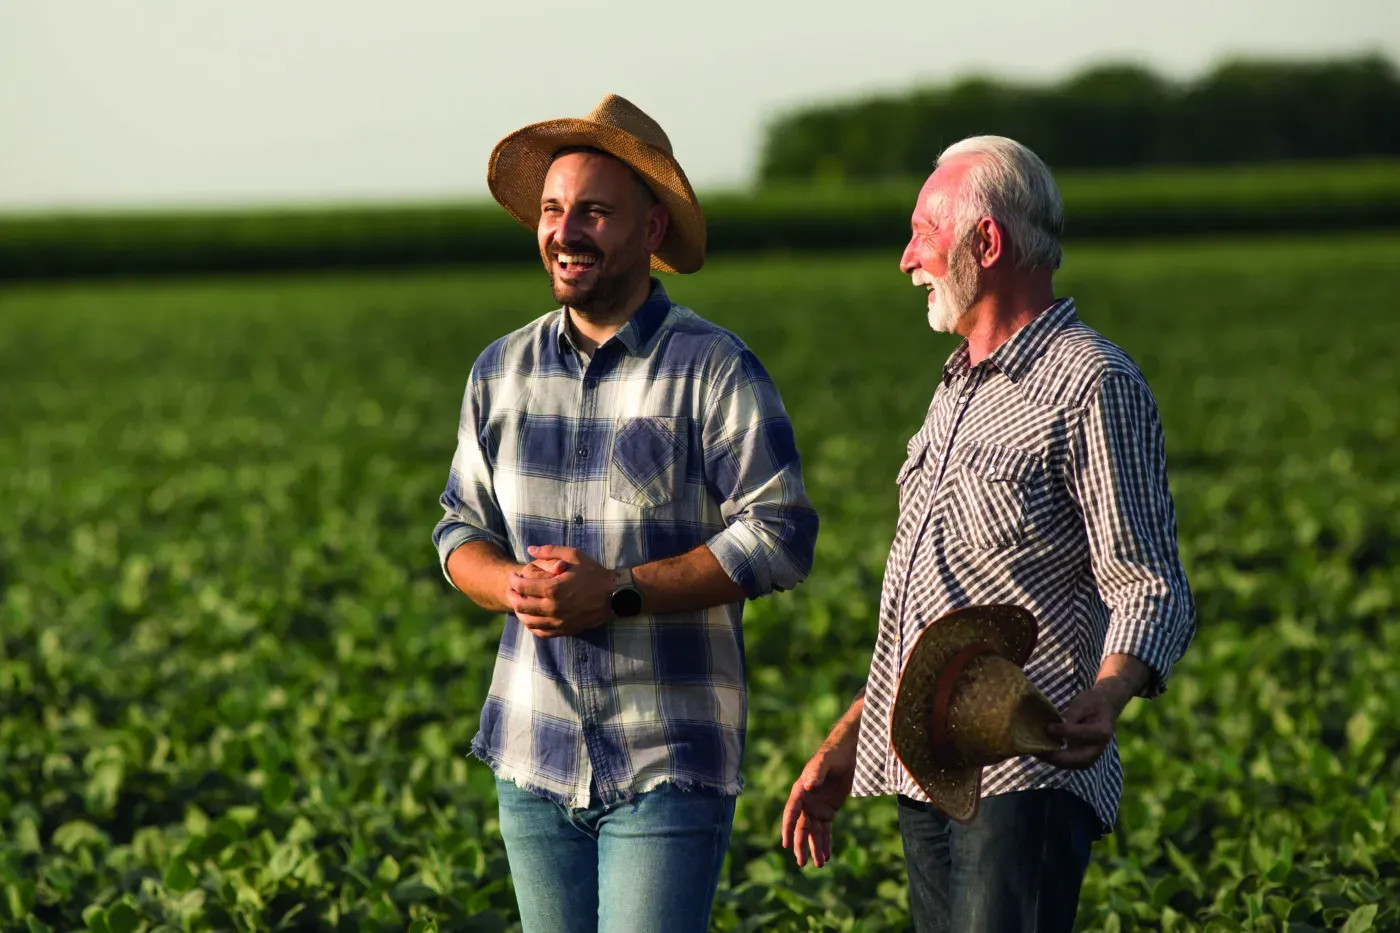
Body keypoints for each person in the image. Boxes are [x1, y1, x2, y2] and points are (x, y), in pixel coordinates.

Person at [780, 135, 1196, 933]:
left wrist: (1107, 694)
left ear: (988, 242)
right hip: (926, 771)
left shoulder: (1091, 381)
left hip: (1025, 778)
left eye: (923, 234)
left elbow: (1148, 581)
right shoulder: (954, 393)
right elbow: (927, 605)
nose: (907, 259)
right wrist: (847, 741)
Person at [432, 93, 818, 933]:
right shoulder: (499, 370)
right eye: (553, 210)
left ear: (649, 233)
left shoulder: (714, 368)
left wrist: (620, 591)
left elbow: (782, 533)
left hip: (667, 757)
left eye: (595, 213)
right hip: (531, 756)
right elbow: (459, 527)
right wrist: (513, 588)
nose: (566, 233)